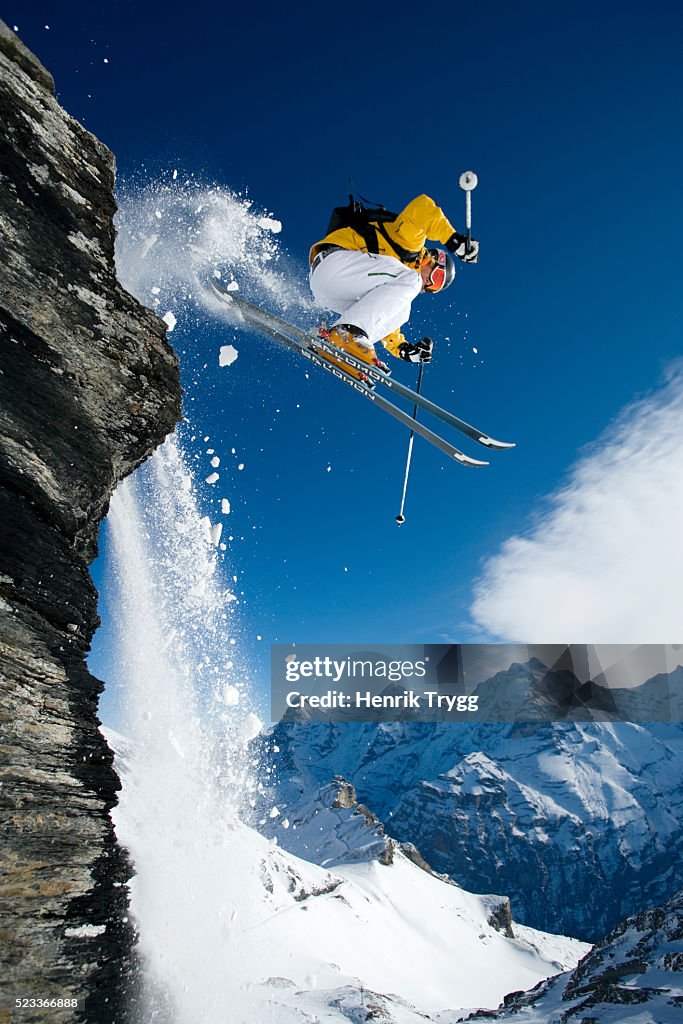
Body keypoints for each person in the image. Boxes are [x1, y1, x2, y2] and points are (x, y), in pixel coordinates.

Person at [308, 194, 479, 383]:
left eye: (434, 287)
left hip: (331, 291)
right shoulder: (410, 245)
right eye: (436, 277)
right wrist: (452, 238)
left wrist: (405, 350)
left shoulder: (399, 282)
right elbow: (422, 207)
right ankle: (346, 335)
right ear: (432, 260)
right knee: (411, 281)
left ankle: (344, 345)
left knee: (402, 311)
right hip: (334, 263)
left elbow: (382, 318)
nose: (428, 285)